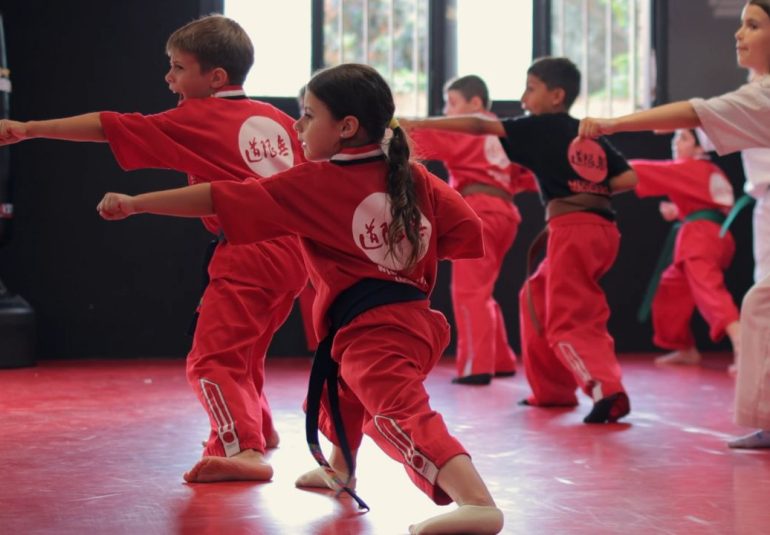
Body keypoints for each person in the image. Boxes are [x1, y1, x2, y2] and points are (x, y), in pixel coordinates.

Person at [95, 63, 504, 535]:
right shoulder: (413, 176)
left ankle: (476, 500)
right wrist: (403, 262)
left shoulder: (314, 183)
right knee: (342, 391)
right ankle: (341, 467)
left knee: (397, 411)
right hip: (409, 319)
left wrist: (136, 202)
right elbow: (467, 232)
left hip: (377, 332)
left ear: (346, 128)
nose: (296, 126)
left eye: (308, 116)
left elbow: (217, 198)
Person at [0, 15, 308, 480]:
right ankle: (259, 427)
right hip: (294, 254)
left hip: (247, 252)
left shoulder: (197, 117)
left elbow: (109, 126)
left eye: (178, 68)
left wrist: (29, 127)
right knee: (245, 349)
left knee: (211, 358)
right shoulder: (276, 118)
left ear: (215, 78)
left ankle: (241, 450)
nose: (169, 78)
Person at [401, 57, 638, 423]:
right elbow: (627, 180)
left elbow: (475, 127)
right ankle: (550, 390)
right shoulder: (582, 135)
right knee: (531, 295)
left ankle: (604, 388)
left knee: (561, 313)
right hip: (587, 225)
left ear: (556, 95)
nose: (524, 99)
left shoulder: (530, 128)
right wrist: (579, 189)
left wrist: (410, 122)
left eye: (530, 89)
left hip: (544, 222)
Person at [578, 0, 770, 447]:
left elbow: (693, 112)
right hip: (745, 216)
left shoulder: (759, 98)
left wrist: (615, 123)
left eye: (754, 25)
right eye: (741, 23)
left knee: (758, 304)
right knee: (754, 302)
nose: (739, 34)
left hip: (708, 235)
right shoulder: (756, 86)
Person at [408, 74, 538, 385]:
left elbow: (423, 139)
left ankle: (475, 365)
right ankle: (499, 358)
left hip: (478, 210)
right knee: (483, 289)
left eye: (451, 103)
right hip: (505, 212)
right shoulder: (506, 133)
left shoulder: (468, 128)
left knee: (469, 291)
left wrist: (394, 127)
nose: (447, 111)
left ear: (475, 103)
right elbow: (525, 175)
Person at [629, 129, 740, 367]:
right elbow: (712, 202)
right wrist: (679, 211)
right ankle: (685, 348)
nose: (675, 142)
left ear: (701, 149)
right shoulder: (708, 171)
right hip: (710, 234)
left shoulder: (692, 167)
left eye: (684, 138)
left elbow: (646, 170)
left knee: (708, 290)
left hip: (701, 237)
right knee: (669, 291)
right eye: (675, 137)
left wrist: (608, 165)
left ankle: (742, 344)